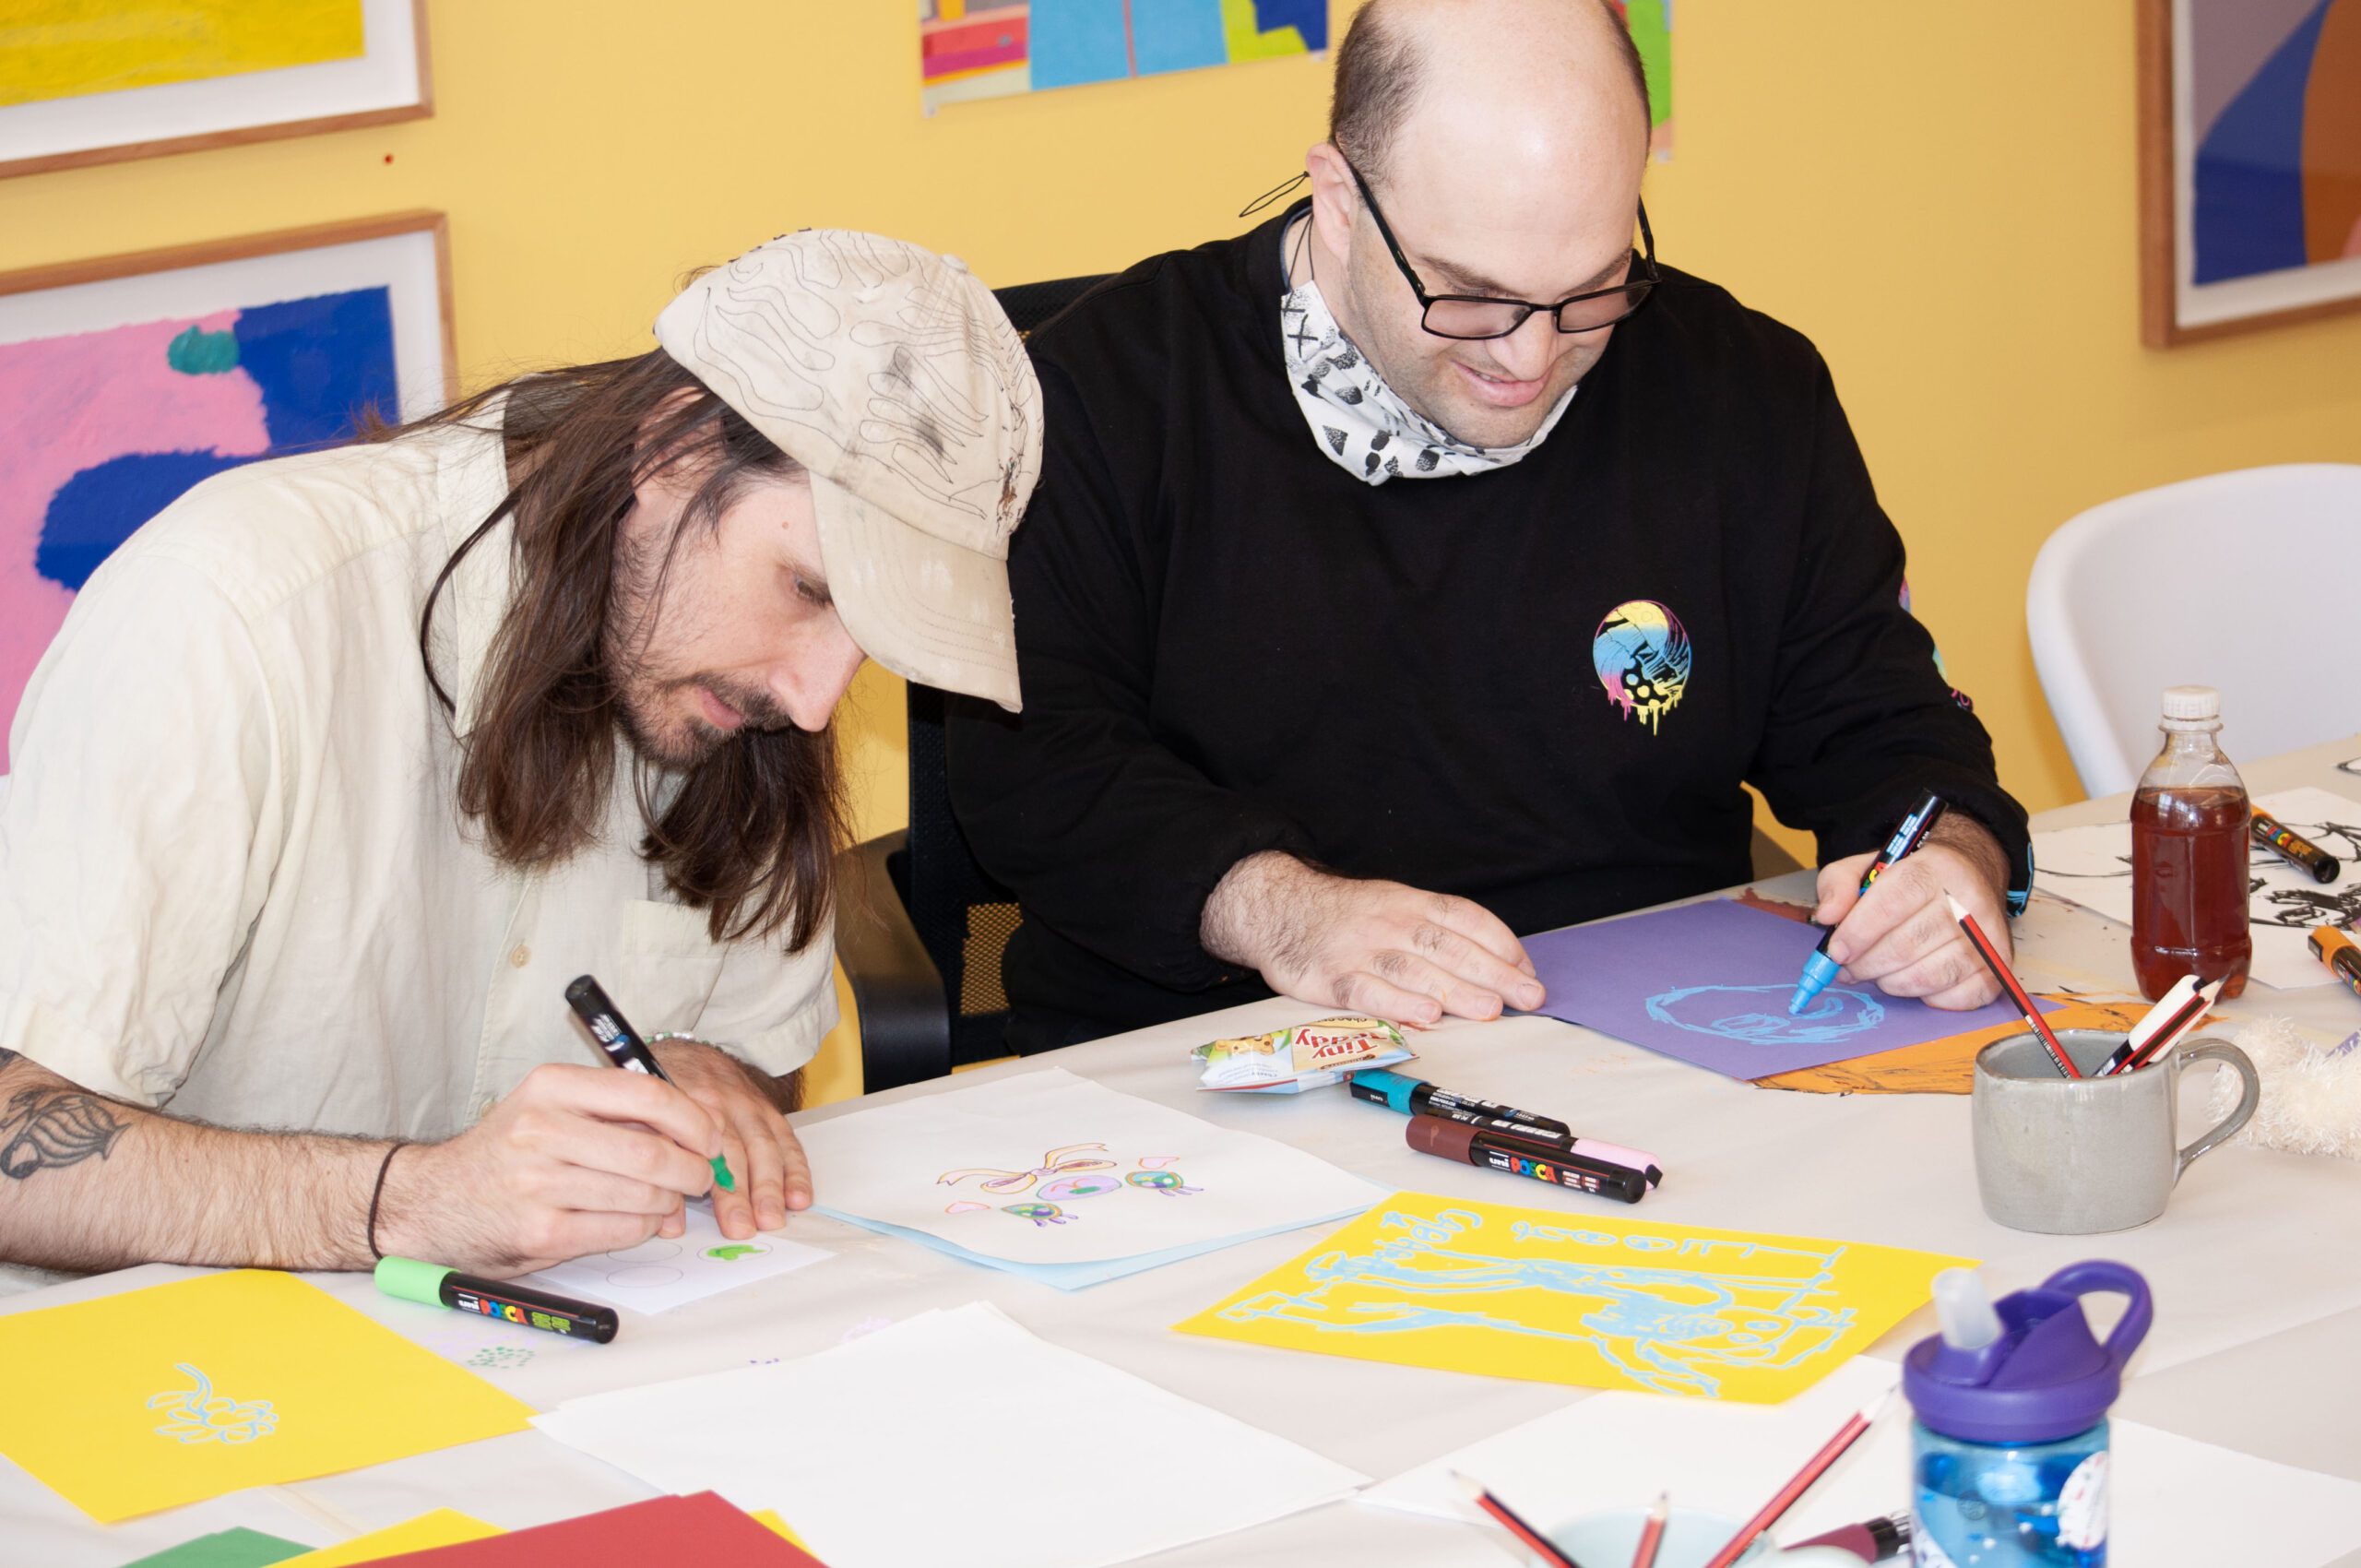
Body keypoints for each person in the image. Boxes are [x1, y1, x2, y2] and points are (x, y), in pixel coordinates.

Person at [947, 0, 2033, 1054]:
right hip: (1216, 1057)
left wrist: (1951, 861)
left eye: (1593, 290)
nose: (1528, 358)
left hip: (1649, 1048)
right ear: (1335, 198)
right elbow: (1035, 771)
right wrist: (1288, 914)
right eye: (1471, 297)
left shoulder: (1744, 390)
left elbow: (1883, 717)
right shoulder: (1097, 401)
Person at [0, 231, 1040, 1291]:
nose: (816, 701)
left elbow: (758, 1063)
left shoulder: (734, 697)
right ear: (673, 447)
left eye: (870, 642)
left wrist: (704, 1081)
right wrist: (409, 1198)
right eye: (810, 591)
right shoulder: (232, 614)